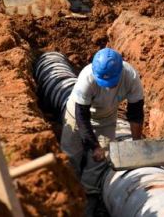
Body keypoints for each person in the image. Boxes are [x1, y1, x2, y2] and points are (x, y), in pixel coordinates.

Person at [60, 48, 145, 215]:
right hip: (76, 116)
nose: (108, 86)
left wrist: (137, 145)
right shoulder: (87, 77)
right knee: (70, 157)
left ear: (120, 71)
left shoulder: (131, 77)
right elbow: (82, 118)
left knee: (99, 163)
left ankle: (88, 205)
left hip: (106, 118)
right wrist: (94, 146)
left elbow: (135, 113)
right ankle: (67, 200)